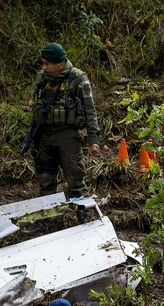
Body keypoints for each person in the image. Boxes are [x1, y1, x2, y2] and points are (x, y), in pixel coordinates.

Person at [27, 43, 101, 200]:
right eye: (42, 63)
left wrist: (93, 140)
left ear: (60, 63)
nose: (44, 67)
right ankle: (46, 220)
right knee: (45, 182)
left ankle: (83, 218)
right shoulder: (42, 78)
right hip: (44, 136)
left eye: (47, 63)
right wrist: (33, 136)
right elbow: (38, 107)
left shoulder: (78, 78)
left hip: (67, 136)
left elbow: (90, 111)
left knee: (76, 181)